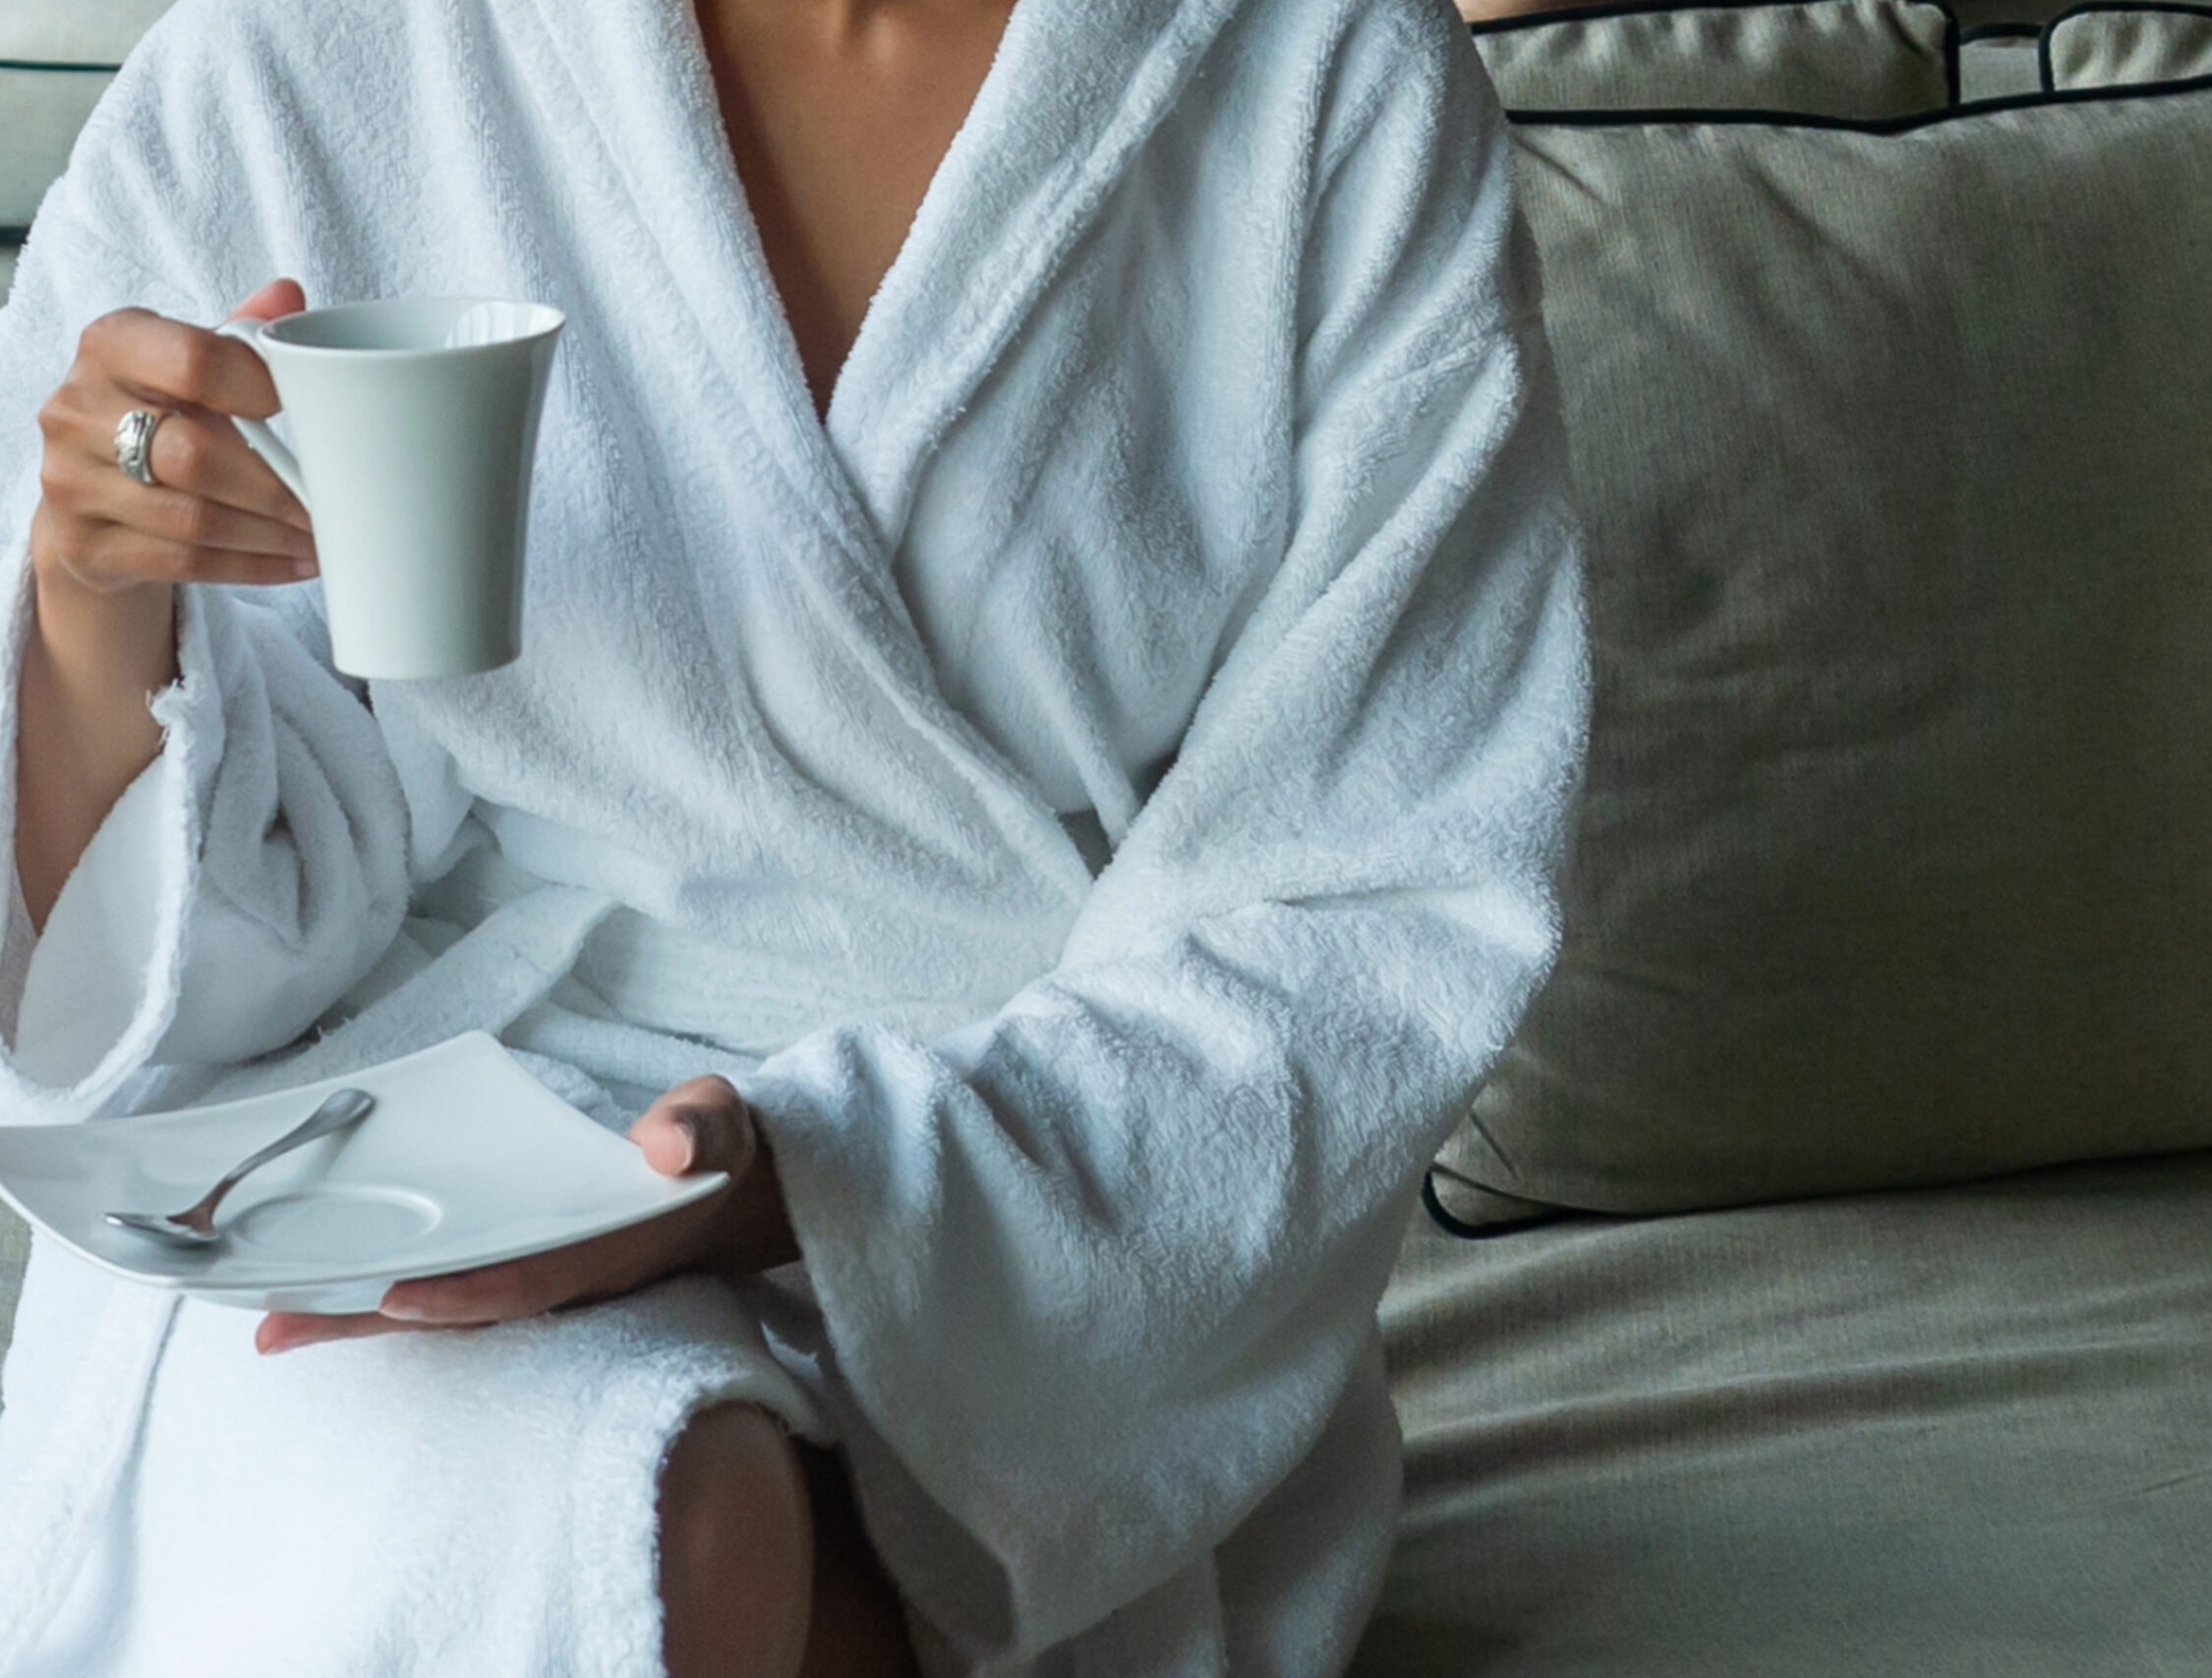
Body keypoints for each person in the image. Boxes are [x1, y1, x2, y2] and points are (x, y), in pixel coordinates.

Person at [0, 0, 1586, 1672]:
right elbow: (122, 986)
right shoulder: (298, 60)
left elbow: (1373, 898)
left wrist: (813, 1181)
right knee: (649, 1514)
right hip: (418, 1174)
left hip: (1039, 1256)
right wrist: (95, 606)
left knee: (688, 1535)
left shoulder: (1318, 63)